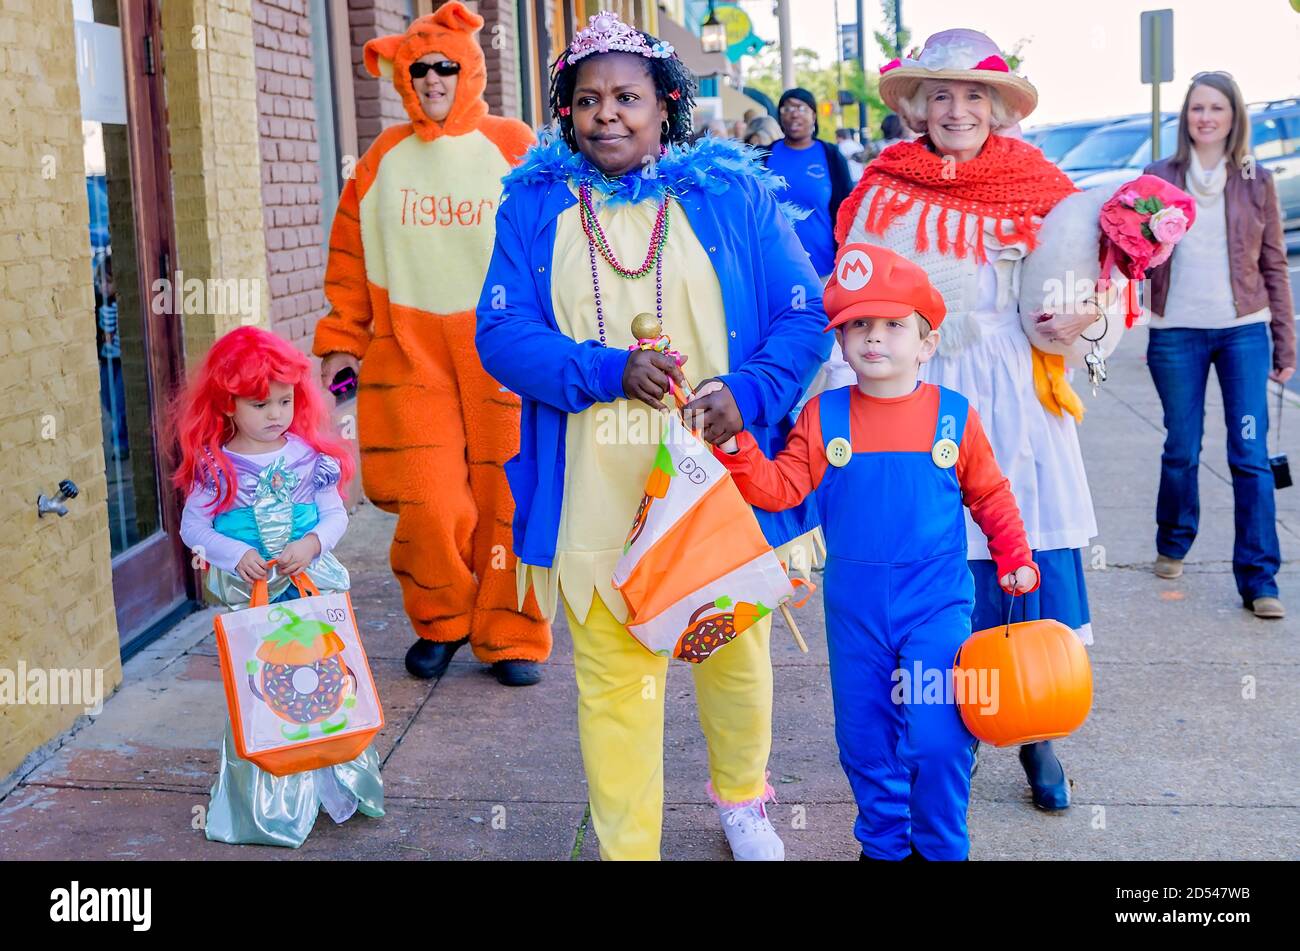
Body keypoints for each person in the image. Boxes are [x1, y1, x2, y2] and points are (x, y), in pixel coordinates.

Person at [475, 10, 829, 861]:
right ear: (566, 114)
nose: (608, 115)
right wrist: (602, 370)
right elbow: (500, 331)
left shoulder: (733, 193)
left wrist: (747, 394)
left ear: (666, 105)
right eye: (588, 99)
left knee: (734, 656)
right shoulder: (534, 208)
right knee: (614, 679)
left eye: (627, 97)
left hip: (718, 481)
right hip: (594, 486)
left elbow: (803, 312)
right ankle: (628, 846)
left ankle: (744, 800)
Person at [715, 244, 1038, 861]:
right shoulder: (824, 415)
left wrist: (1014, 553)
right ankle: (885, 846)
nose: (874, 338)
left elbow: (990, 493)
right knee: (865, 738)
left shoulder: (953, 417)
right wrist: (737, 447)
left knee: (939, 736)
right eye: (859, 325)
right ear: (840, 342)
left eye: (894, 325)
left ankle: (941, 847)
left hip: (934, 605)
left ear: (927, 343)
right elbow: (780, 490)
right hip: (855, 609)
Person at [836, 28, 1091, 811]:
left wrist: (1082, 319)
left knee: (1027, 548)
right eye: (940, 94)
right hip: (928, 395)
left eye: (973, 94)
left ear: (997, 107)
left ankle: (1039, 732)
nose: (957, 109)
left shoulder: (1044, 187)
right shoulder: (881, 189)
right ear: (917, 104)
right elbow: (858, 304)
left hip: (1016, 392)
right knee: (947, 567)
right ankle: (960, 729)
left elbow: (1090, 295)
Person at [312, 3, 549, 686]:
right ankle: (441, 619)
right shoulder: (383, 157)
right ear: (402, 77)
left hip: (501, 348)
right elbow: (351, 259)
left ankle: (512, 631)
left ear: (470, 67)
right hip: (410, 354)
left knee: (509, 494)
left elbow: (556, 242)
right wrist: (341, 344)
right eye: (420, 69)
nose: (434, 78)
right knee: (430, 497)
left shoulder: (514, 143)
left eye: (446, 65)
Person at [174, 326, 383, 848]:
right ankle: (271, 802)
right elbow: (193, 528)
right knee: (265, 690)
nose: (275, 415)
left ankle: (336, 785)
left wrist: (312, 544)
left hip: (309, 582)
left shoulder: (310, 457)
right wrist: (236, 553)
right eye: (259, 404)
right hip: (256, 593)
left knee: (327, 679)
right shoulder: (217, 466)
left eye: (285, 401)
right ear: (227, 407)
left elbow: (334, 514)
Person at [1143, 71, 1296, 618]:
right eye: (1197, 108)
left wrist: (1284, 341)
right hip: (1174, 333)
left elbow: (1274, 263)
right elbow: (1132, 255)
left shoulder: (1258, 180)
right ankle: (1173, 540)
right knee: (1182, 447)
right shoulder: (1157, 177)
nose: (1205, 117)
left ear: (1234, 118)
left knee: (1249, 455)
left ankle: (1260, 580)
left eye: (1217, 108)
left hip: (1243, 332)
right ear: (1186, 117)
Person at [764, 87, 854, 280]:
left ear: (814, 116)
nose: (794, 114)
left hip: (824, 269)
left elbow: (848, 207)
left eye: (801, 108)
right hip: (773, 268)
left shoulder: (831, 155)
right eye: (786, 109)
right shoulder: (764, 155)